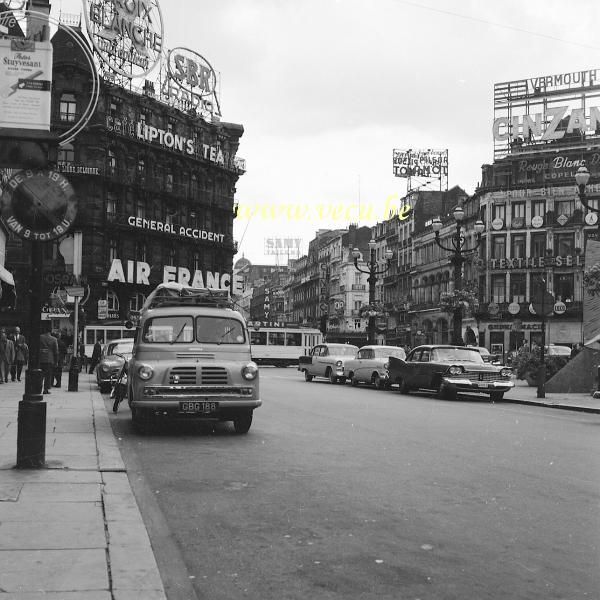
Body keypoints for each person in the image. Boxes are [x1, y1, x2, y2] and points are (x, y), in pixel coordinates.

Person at [39, 323, 59, 394]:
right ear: (50, 331)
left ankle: (38, 388)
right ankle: (46, 389)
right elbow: (56, 352)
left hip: (41, 358)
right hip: (50, 359)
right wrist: (56, 362)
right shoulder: (54, 339)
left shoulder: (40, 337)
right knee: (48, 375)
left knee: (40, 374)